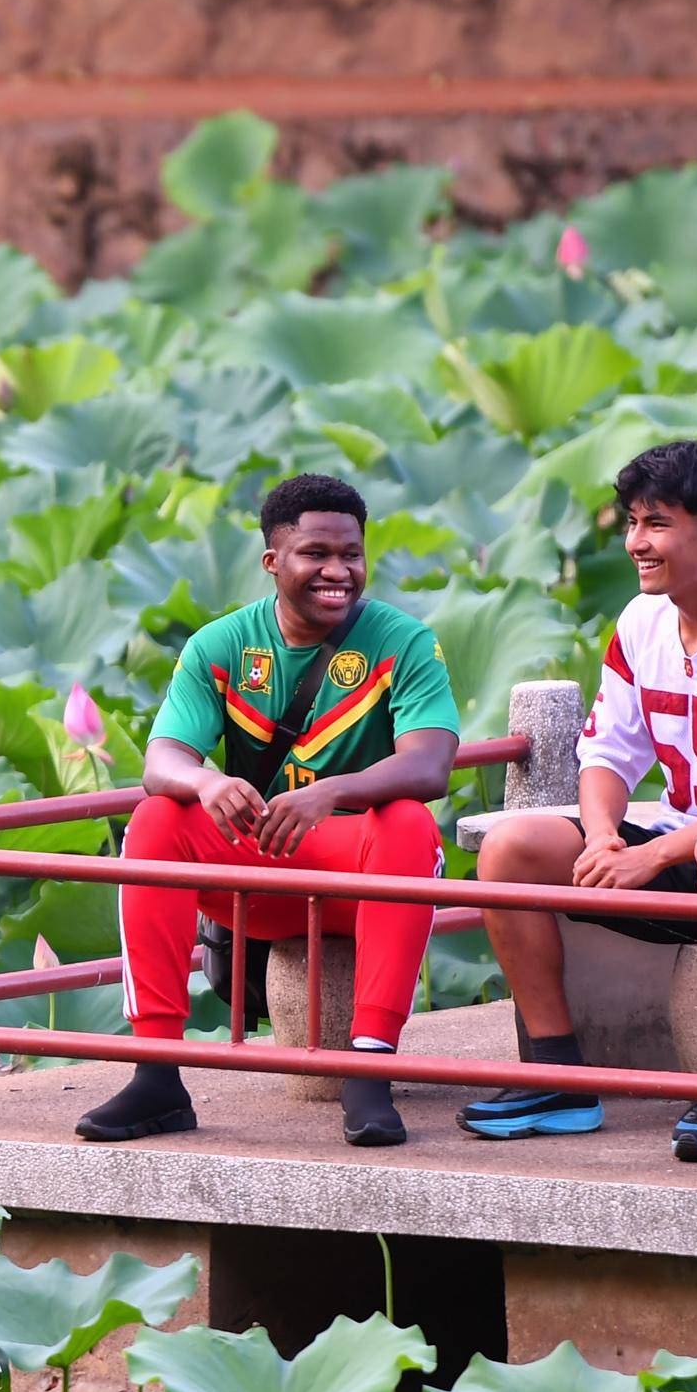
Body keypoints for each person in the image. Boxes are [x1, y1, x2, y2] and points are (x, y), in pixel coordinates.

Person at [460, 440, 697, 1162]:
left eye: (656, 524)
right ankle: (558, 1073)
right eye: (632, 523)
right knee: (512, 846)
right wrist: (605, 837)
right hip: (673, 843)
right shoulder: (641, 622)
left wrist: (651, 855)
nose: (636, 542)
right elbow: (605, 753)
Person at [75, 473, 460, 1149]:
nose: (338, 571)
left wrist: (332, 793)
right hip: (257, 876)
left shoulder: (405, 642)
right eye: (316, 553)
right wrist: (201, 782)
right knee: (156, 820)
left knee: (408, 822)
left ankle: (368, 1072)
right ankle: (157, 1074)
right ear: (273, 561)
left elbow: (429, 766)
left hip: (360, 874)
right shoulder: (220, 646)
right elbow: (160, 761)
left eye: (352, 554)